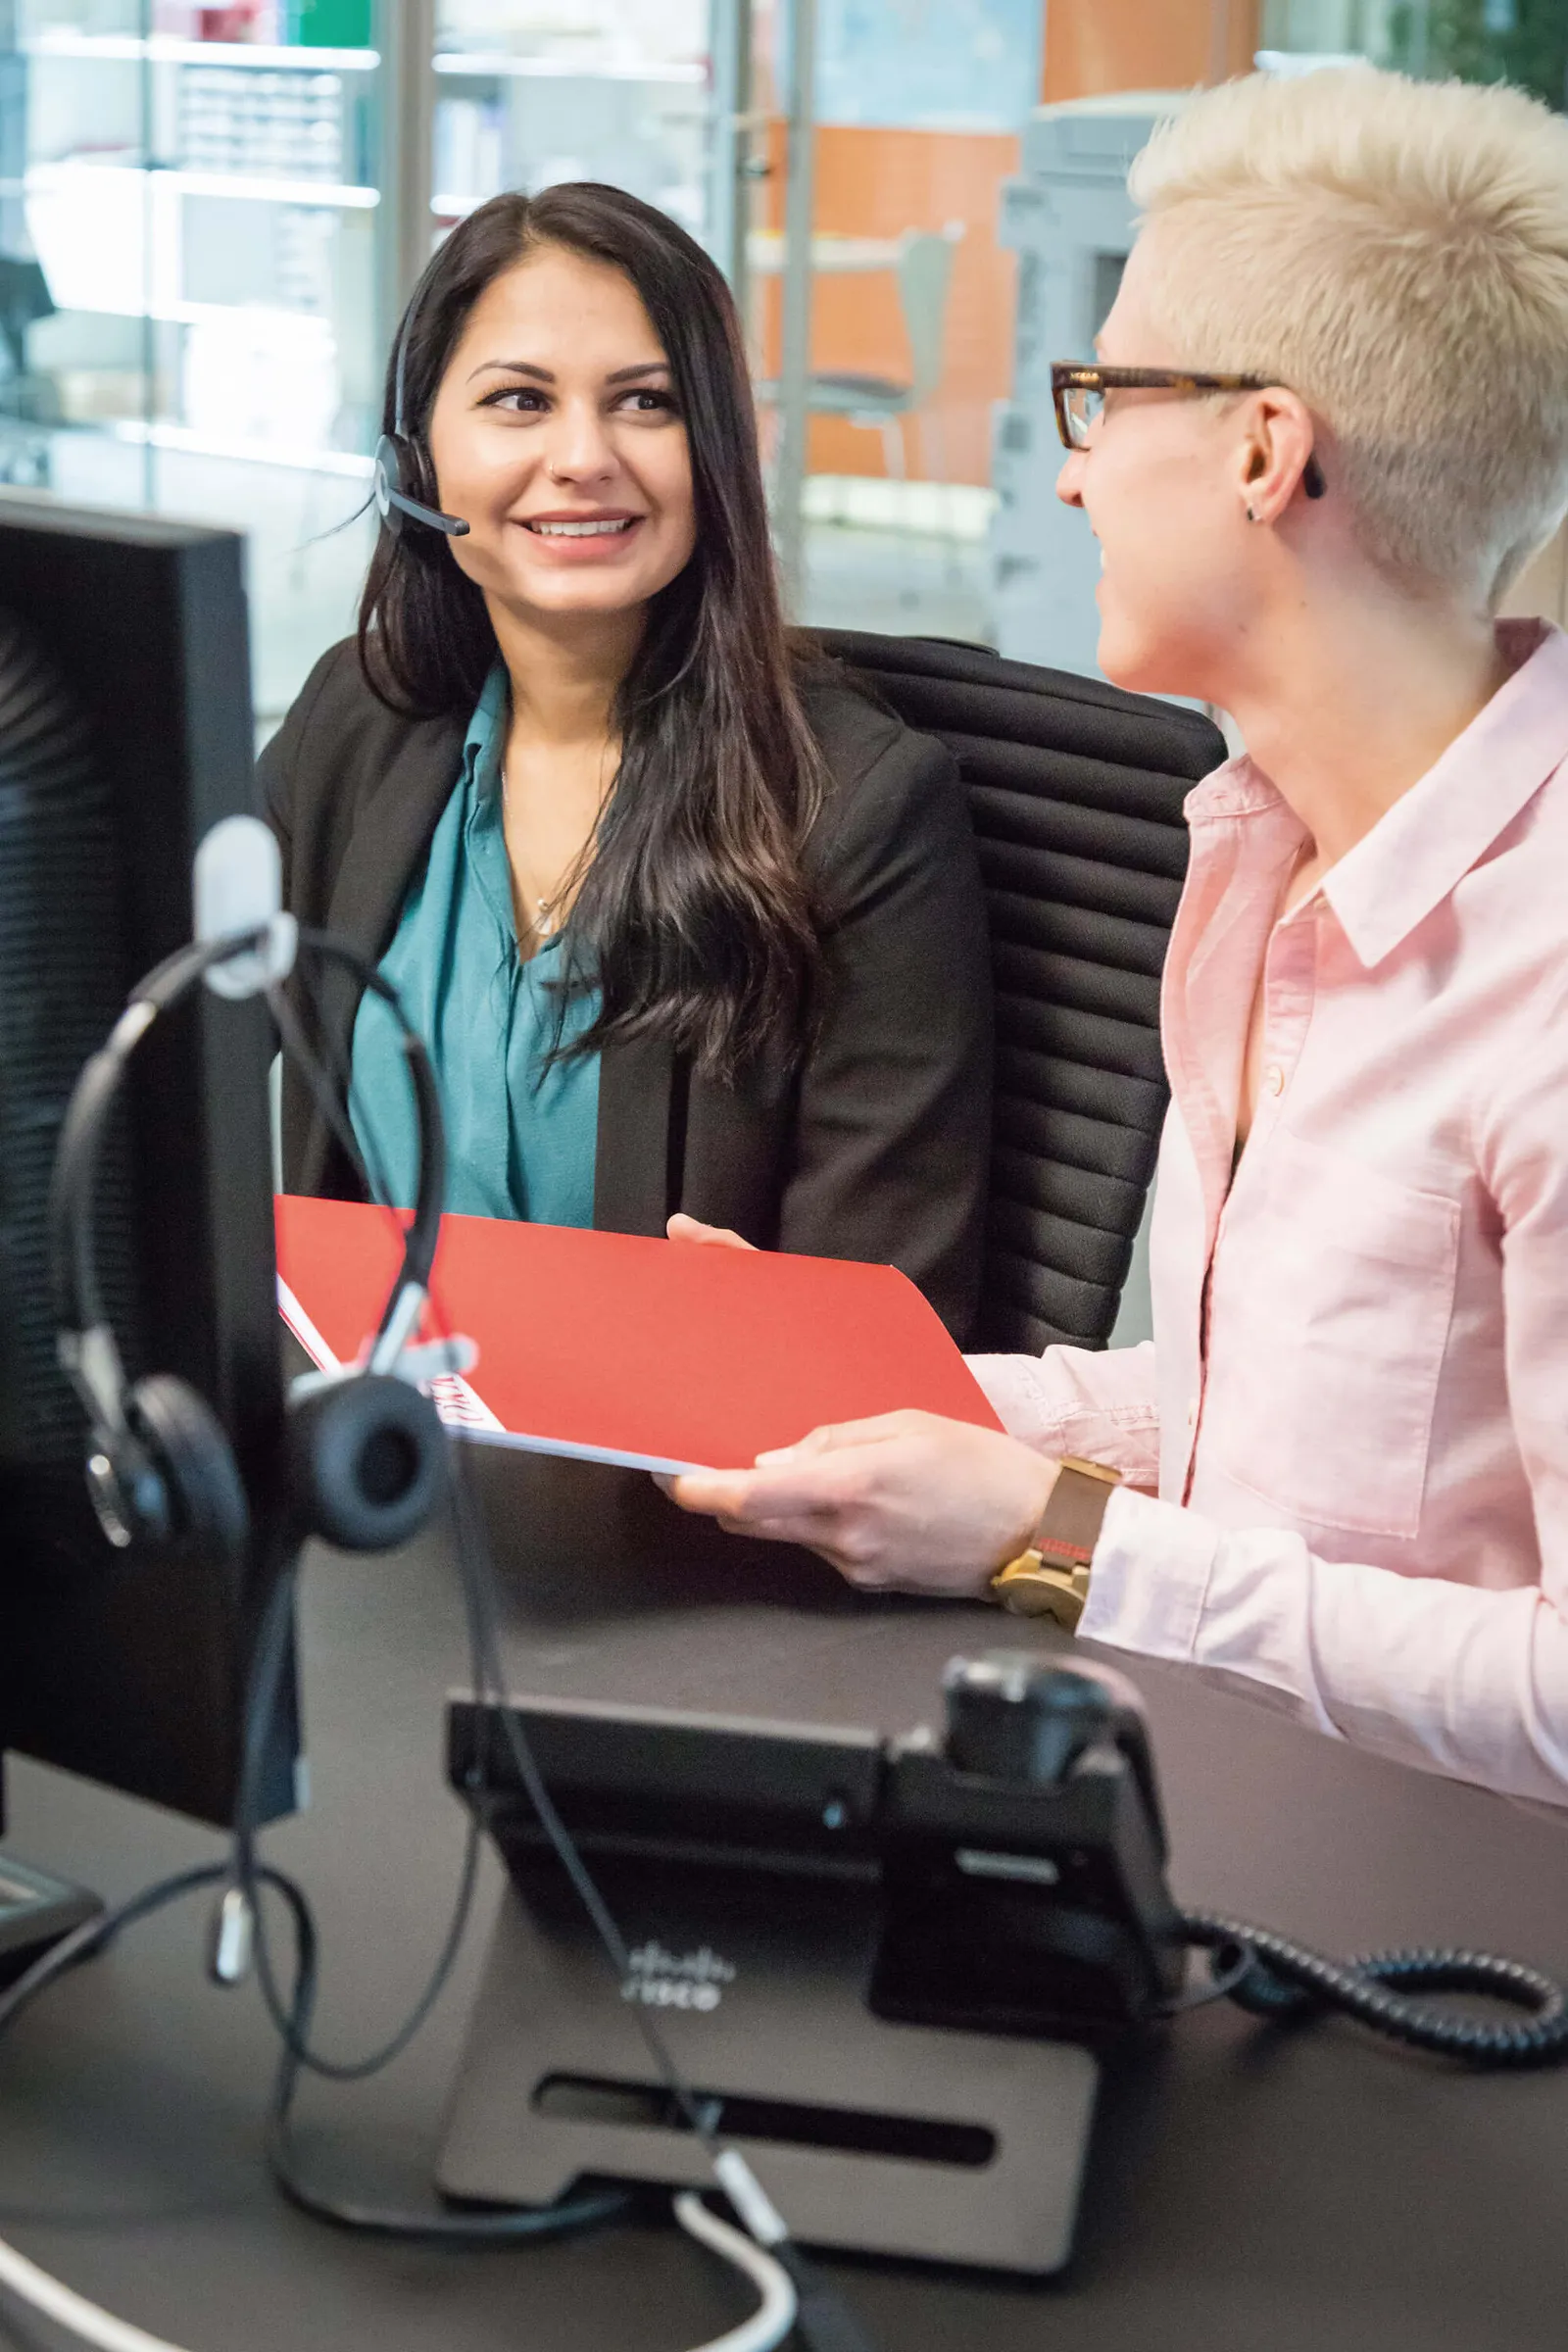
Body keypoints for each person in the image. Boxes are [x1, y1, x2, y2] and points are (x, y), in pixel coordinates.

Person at [667, 67, 1568, 1807]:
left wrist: (1063, 1544)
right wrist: (862, 1380)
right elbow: (1305, 1428)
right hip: (1220, 1794)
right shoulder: (1267, 853)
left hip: (1450, 1943)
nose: (1073, 476)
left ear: (1261, 451)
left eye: (1102, 394)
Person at [262, 184, 991, 1340]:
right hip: (369, 1454)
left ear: (714, 450)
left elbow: (873, 1335)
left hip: (661, 1490)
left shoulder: (857, 809)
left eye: (645, 403)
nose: (583, 458)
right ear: (417, 453)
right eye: (518, 401)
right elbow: (145, 1056)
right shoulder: (358, 721)